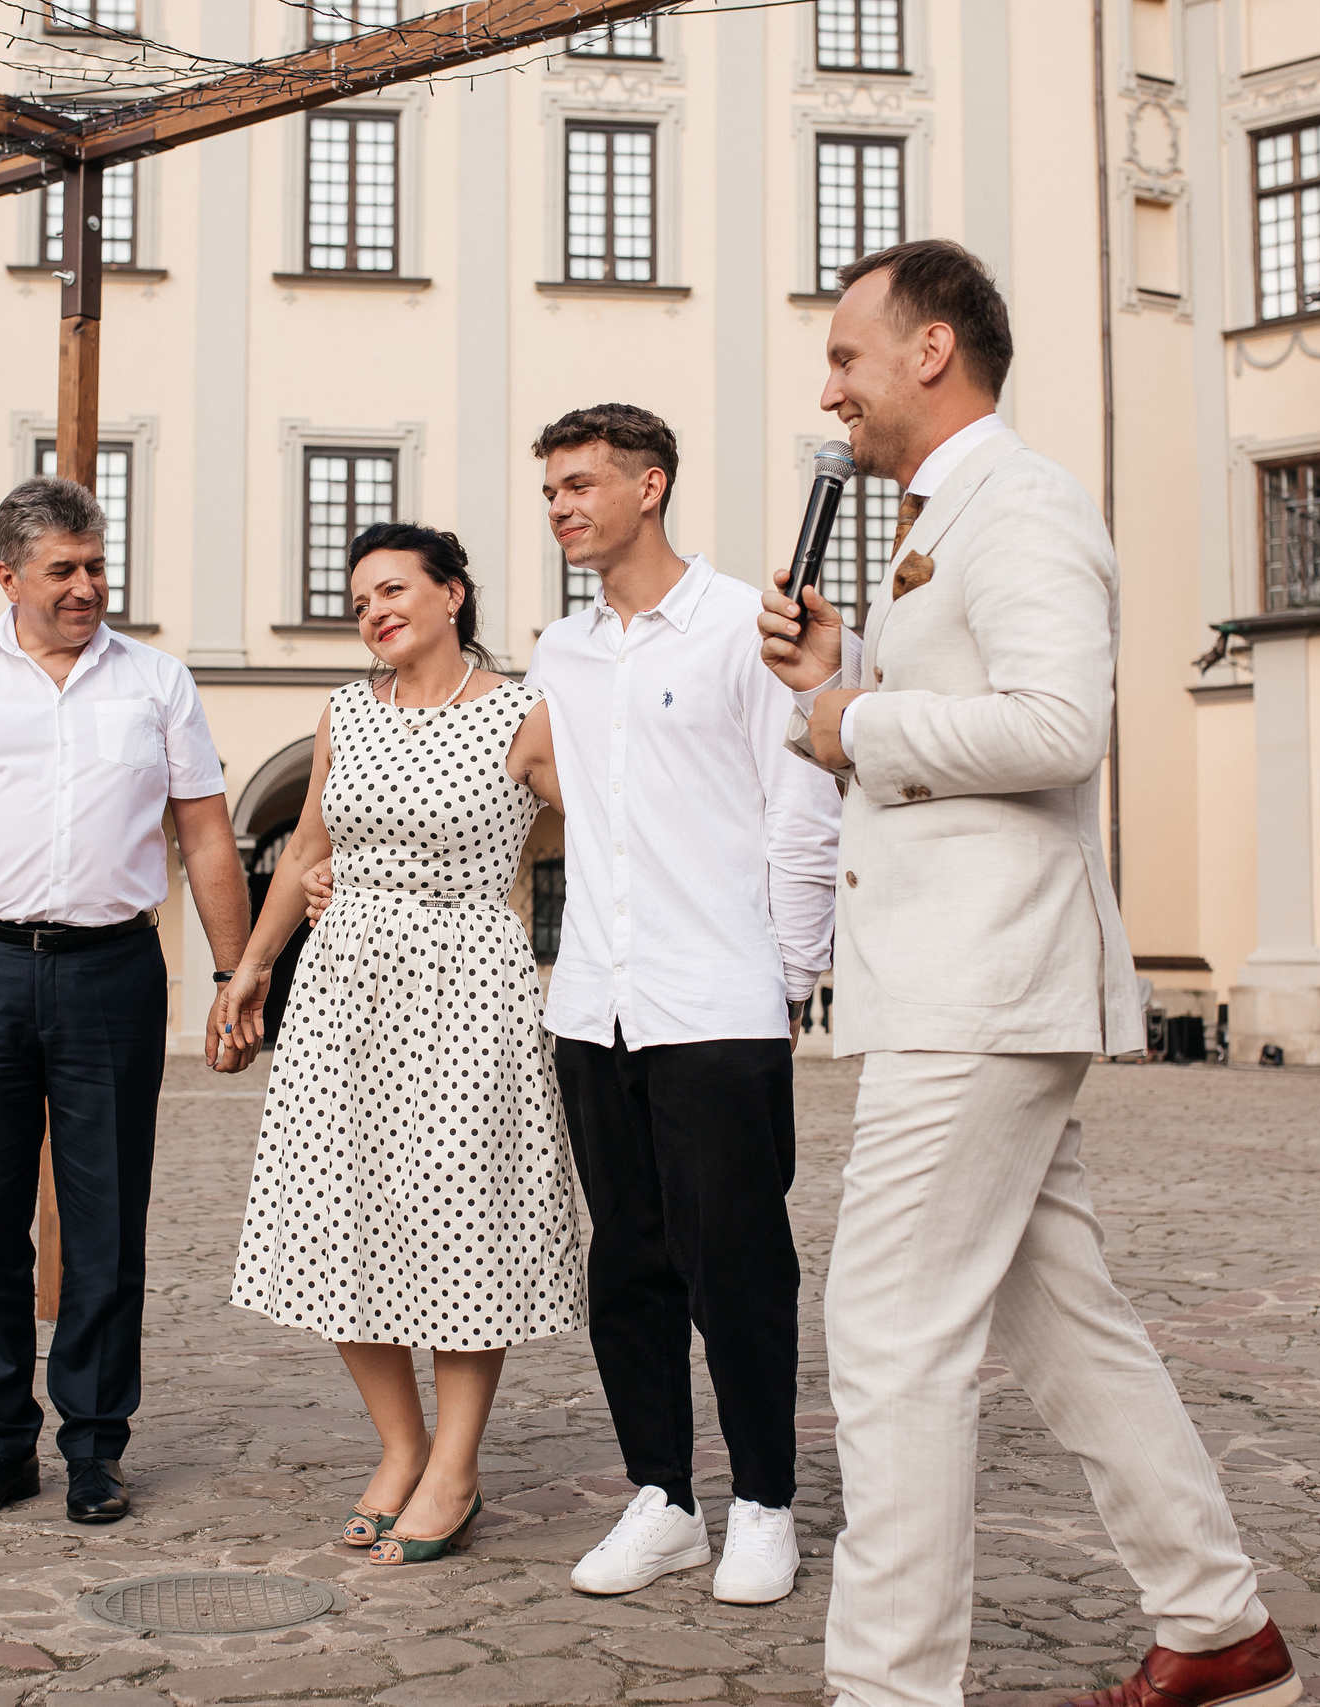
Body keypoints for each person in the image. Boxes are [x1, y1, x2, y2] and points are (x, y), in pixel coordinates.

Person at [757, 239, 1296, 1707]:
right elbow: (961, 708)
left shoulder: (1025, 500)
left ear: (933, 350)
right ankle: (1217, 1624)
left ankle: (891, 1688)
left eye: (849, 358)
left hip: (981, 983)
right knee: (1062, 1318)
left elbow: (1061, 724)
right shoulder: (944, 514)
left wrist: (854, 720)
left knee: (889, 1337)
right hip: (956, 974)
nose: (833, 390)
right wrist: (839, 672)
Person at [0, 476, 254, 1528]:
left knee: (107, 1223)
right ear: (9, 576)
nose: (86, 587)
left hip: (111, 973)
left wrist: (229, 972)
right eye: (63, 570)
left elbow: (205, 834)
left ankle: (93, 1447)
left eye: (97, 565)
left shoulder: (156, 682)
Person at [215, 523, 583, 1567]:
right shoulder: (343, 712)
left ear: (451, 595)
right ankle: (399, 1446)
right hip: (343, 992)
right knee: (342, 1213)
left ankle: (456, 1468)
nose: (374, 611)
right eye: (358, 599)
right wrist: (251, 966)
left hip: (470, 988)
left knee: (461, 1220)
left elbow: (606, 837)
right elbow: (306, 848)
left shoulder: (523, 713)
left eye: (393, 589)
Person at [523, 405, 841, 1606]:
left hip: (719, 997)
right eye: (549, 489)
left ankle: (764, 1502)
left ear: (649, 485)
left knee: (740, 1269)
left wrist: (791, 976)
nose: (560, 506)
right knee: (631, 1267)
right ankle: (661, 1497)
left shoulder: (736, 630)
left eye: (581, 483)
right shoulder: (564, 650)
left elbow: (801, 799)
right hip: (595, 1000)